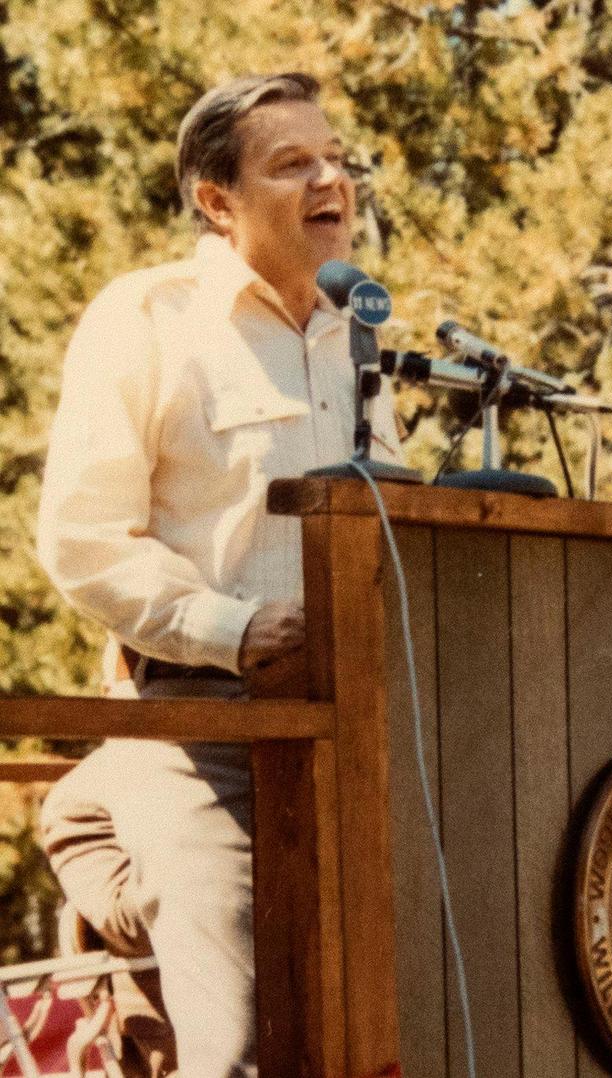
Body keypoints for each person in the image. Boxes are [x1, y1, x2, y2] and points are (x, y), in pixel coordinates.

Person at [35, 72, 403, 1077]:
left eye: (336, 159)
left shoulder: (358, 333)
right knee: (241, 1047)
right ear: (217, 201)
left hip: (364, 741)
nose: (332, 178)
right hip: (209, 728)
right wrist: (231, 629)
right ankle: (102, 827)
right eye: (293, 164)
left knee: (387, 1033)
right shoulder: (149, 319)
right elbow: (82, 537)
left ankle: (88, 821)